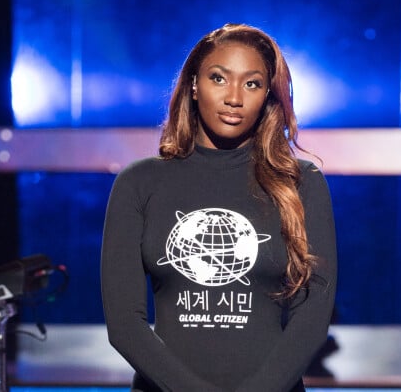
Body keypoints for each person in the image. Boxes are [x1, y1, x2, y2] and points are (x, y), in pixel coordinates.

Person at [101, 23, 337, 392]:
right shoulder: (139, 182)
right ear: (194, 85)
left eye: (252, 83)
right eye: (219, 78)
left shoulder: (300, 182)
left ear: (267, 97)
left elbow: (313, 315)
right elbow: (123, 323)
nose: (234, 98)